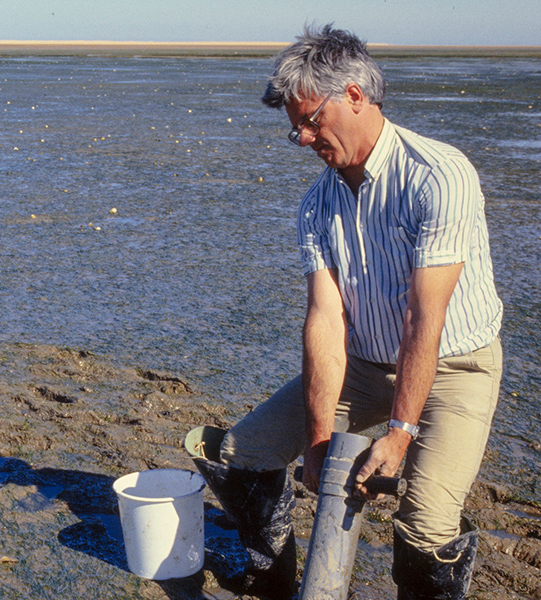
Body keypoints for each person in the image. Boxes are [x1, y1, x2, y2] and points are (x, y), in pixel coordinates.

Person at [186, 24, 503, 599]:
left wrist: (400, 434)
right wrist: (315, 442)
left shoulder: (439, 176)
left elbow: (423, 321)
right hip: (364, 362)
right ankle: (272, 578)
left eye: (311, 121)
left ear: (355, 95)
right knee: (240, 455)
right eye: (294, 129)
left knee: (424, 526)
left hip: (455, 368)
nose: (304, 139)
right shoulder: (317, 204)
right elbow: (326, 323)